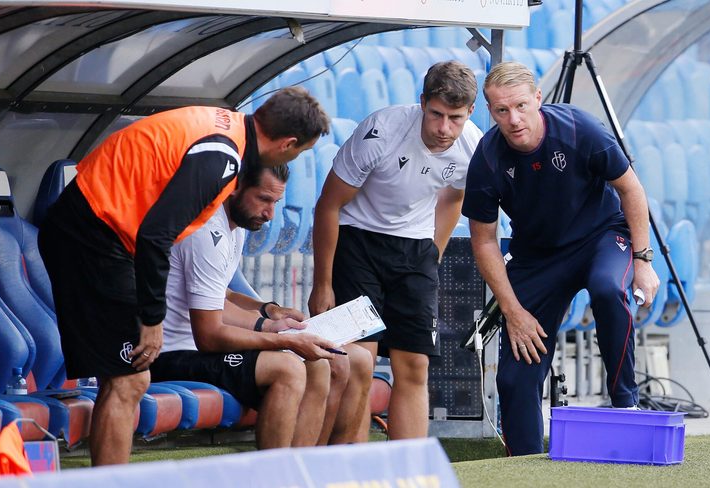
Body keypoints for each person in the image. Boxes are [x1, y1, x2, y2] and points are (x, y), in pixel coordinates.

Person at [38, 87, 330, 466]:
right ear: (288, 143)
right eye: (300, 152)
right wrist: (151, 320)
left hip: (94, 228)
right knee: (128, 380)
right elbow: (156, 234)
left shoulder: (227, 133)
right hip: (92, 233)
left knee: (129, 379)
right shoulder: (222, 158)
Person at [461, 62, 660, 456]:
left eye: (520, 105)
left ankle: (625, 403)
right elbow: (484, 241)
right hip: (537, 256)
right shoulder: (487, 158)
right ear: (489, 110)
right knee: (516, 377)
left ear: (538, 98)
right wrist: (512, 310)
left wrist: (643, 260)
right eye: (501, 110)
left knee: (607, 289)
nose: (513, 119)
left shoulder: (579, 130)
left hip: (602, 235)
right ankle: (525, 462)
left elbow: (631, 189)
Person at [309, 61, 483, 440]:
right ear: (422, 102)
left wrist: (432, 255)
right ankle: (350, 466)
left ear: (470, 112)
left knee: (415, 365)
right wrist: (322, 283)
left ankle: (407, 471)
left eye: (454, 118)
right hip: (359, 242)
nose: (443, 129)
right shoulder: (380, 131)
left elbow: (455, 195)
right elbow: (328, 205)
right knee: (360, 361)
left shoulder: (472, 144)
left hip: (416, 249)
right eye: (436, 114)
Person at [151, 162, 372, 448]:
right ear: (235, 188)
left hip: (198, 351)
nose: (270, 214)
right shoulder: (206, 230)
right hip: (174, 354)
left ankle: (309, 471)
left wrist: (269, 311)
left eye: (276, 202)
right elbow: (208, 336)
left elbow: (224, 295)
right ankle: (278, 475)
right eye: (264, 200)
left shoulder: (236, 225)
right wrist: (283, 339)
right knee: (290, 368)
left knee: (329, 360)